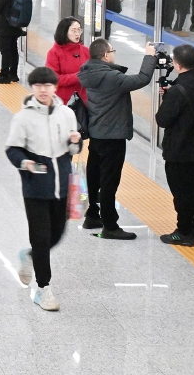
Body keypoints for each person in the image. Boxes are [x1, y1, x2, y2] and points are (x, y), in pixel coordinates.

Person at [5, 67, 81, 312]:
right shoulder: (23, 118)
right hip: (35, 187)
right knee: (40, 236)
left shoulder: (67, 113)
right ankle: (43, 288)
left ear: (55, 87)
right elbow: (12, 149)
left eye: (47, 85)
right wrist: (25, 163)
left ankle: (30, 255)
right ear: (32, 88)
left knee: (56, 234)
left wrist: (75, 143)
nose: (43, 90)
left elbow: (73, 149)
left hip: (62, 186)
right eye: (38, 86)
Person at [76, 38, 155, 239]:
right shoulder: (111, 77)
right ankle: (110, 226)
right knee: (109, 181)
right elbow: (142, 78)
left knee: (94, 176)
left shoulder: (88, 72)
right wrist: (149, 56)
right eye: (112, 51)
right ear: (105, 55)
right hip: (112, 136)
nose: (113, 54)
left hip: (96, 133)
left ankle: (92, 215)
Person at [156, 44, 194, 246]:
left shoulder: (177, 91)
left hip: (180, 151)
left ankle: (183, 232)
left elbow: (163, 119)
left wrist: (168, 98)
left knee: (183, 192)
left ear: (177, 64)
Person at [45, 17, 89, 107]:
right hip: (60, 102)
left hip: (85, 101)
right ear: (64, 32)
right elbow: (53, 79)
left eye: (79, 30)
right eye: (73, 30)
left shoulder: (85, 50)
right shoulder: (54, 53)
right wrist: (79, 76)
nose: (77, 34)